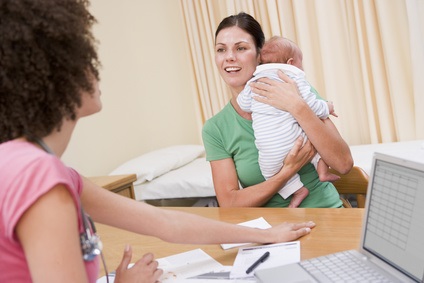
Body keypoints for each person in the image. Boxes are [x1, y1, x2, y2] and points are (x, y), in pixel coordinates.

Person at [0, 1, 317, 283]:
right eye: (87, 60)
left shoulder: (43, 168)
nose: (95, 70)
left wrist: (265, 235)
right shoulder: (38, 176)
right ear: (59, 77)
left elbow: (165, 222)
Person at [202, 12, 353, 208]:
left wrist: (296, 106)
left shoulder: (295, 89)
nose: (229, 57)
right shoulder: (216, 129)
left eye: (241, 48)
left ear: (259, 54)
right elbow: (230, 203)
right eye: (221, 50)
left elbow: (343, 163)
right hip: (272, 232)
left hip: (326, 215)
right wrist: (287, 172)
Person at [236, 36, 340, 208]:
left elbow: (244, 104)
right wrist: (328, 107)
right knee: (316, 145)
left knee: (269, 171)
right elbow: (312, 106)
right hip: (297, 139)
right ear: (291, 62)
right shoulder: (294, 79)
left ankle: (297, 190)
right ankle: (322, 171)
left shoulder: (255, 81)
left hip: (271, 149)